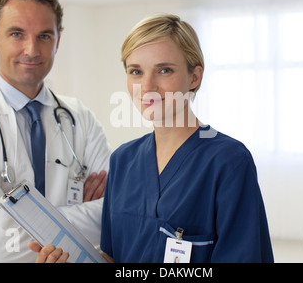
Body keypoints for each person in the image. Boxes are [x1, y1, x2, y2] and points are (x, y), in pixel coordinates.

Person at [31, 14, 273, 263]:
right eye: (136, 71)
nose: (147, 86)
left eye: (164, 70)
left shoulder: (228, 162)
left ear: (194, 76)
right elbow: (114, 256)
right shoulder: (123, 160)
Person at [0, 0, 111, 263]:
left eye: (44, 36)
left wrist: (13, 227)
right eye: (17, 34)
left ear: (57, 41)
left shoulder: (80, 118)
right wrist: (81, 220)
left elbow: (114, 217)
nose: (31, 50)